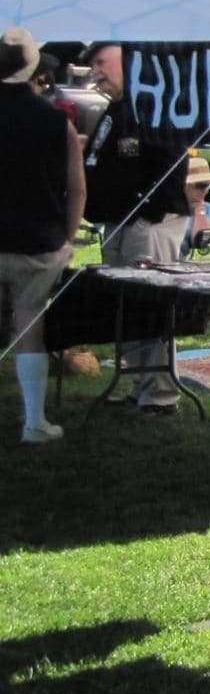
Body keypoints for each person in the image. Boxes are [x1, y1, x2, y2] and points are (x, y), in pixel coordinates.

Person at [81, 43, 193, 414]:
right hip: (119, 221)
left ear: (127, 62)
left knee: (150, 303)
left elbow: (170, 161)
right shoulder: (114, 110)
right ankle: (140, 383)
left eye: (101, 62)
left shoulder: (154, 103)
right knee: (127, 306)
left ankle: (160, 395)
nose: (95, 71)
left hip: (149, 222)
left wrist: (147, 212)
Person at [0, 29, 86, 445]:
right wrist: (66, 238)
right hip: (39, 243)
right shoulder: (56, 122)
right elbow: (77, 189)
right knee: (29, 326)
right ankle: (34, 421)